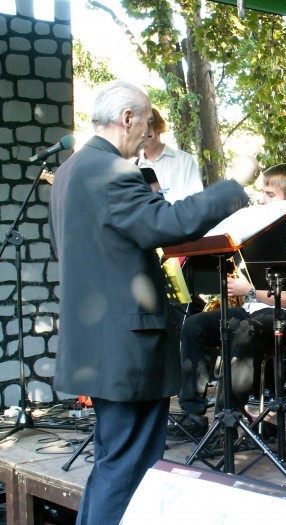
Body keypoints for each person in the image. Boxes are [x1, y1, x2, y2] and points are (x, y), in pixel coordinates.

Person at [48, 80, 256, 525]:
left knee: (112, 461)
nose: (148, 134)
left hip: (96, 343)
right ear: (127, 118)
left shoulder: (68, 172)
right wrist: (234, 183)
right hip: (126, 344)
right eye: (145, 122)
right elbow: (168, 223)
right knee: (129, 470)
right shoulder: (113, 171)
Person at [168, 163, 286, 441]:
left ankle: (228, 421)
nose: (262, 200)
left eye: (270, 194)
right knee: (195, 326)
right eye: (262, 193)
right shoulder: (257, 233)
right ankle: (193, 416)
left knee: (246, 331)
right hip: (253, 313)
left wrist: (250, 290)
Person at [138, 107, 203, 202]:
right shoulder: (134, 167)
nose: (143, 139)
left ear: (158, 129)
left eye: (148, 134)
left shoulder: (184, 160)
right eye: (138, 135)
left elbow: (195, 199)